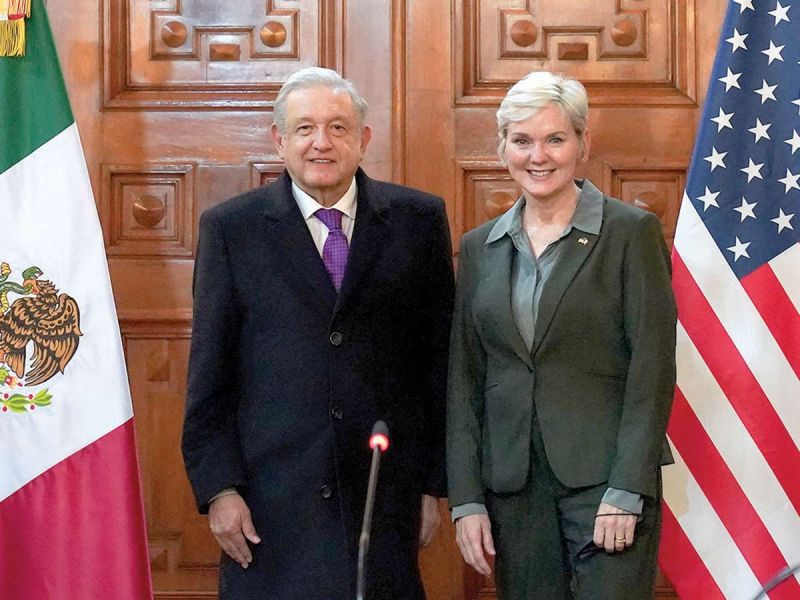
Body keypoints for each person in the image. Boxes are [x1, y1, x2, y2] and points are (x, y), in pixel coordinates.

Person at [182, 66, 454, 600]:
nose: (321, 143)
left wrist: (432, 484)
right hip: (269, 504)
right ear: (279, 140)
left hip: (382, 496)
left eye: (338, 127)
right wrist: (219, 489)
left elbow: (438, 362)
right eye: (304, 128)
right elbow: (210, 373)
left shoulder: (418, 220)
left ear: (363, 138)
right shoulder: (232, 229)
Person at [446, 70, 677, 599]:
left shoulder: (629, 233)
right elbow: (465, 380)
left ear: (582, 144)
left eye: (555, 139)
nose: (538, 156)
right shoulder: (480, 247)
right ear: (503, 148)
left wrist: (628, 486)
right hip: (514, 488)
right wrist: (466, 499)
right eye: (522, 141)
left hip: (606, 486)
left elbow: (652, 370)